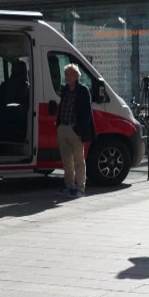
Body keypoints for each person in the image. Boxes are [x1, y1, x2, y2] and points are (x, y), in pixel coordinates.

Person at [56, 63, 95, 198]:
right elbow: (62, 107)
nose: (67, 77)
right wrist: (59, 125)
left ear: (76, 75)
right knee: (66, 161)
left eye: (70, 74)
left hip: (75, 129)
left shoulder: (83, 90)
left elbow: (86, 113)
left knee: (79, 160)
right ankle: (69, 186)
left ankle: (80, 188)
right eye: (66, 74)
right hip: (63, 128)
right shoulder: (65, 89)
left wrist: (79, 129)